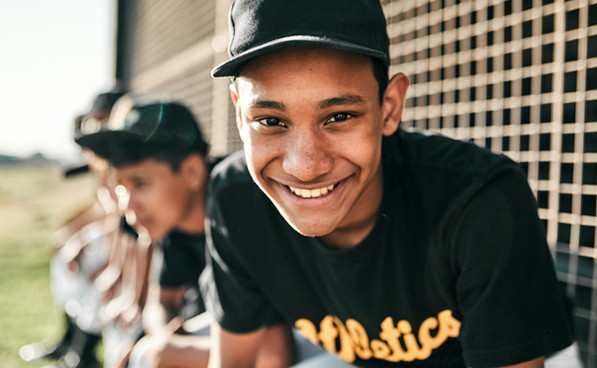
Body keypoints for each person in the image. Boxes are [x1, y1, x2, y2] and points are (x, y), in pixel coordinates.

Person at [201, 0, 576, 367]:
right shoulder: (235, 200)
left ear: (390, 107)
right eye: (270, 121)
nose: (306, 166)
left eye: (340, 116)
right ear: (238, 112)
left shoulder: (478, 200)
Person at [75, 95, 293, 368]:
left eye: (140, 184)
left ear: (192, 172)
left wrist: (168, 351)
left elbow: (272, 357)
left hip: (331, 342)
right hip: (261, 345)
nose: (126, 203)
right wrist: (165, 334)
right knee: (145, 352)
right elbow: (160, 301)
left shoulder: (236, 204)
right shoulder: (176, 221)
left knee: (149, 356)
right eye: (120, 187)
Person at [20, 89, 129, 368]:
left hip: (130, 244)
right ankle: (70, 343)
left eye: (104, 121)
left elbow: (124, 215)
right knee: (69, 253)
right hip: (119, 236)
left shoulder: (126, 154)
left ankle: (82, 352)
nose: (98, 130)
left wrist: (86, 243)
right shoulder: (99, 158)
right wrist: (74, 232)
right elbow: (101, 206)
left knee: (92, 267)